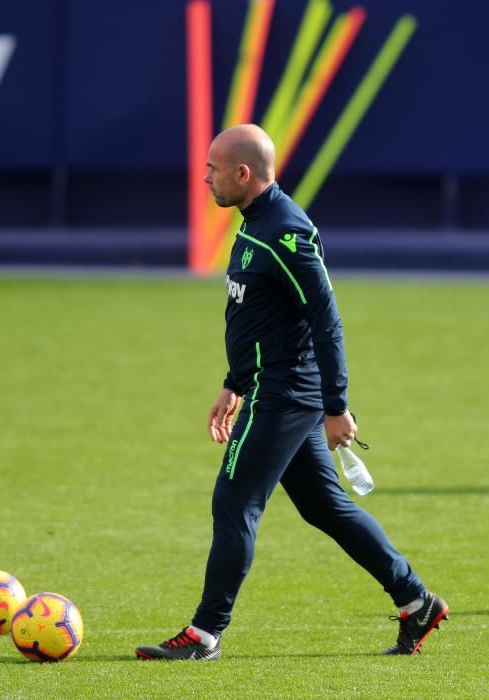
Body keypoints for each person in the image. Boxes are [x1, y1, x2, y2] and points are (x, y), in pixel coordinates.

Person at [134, 124, 447, 661]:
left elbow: (326, 320)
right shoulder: (257, 222)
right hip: (270, 385)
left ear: (243, 173)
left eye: (213, 168)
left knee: (234, 502)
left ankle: (205, 633)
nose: (204, 176)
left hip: (285, 395)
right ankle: (416, 601)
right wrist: (234, 382)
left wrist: (336, 405)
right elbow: (261, 319)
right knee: (325, 506)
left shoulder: (284, 231)